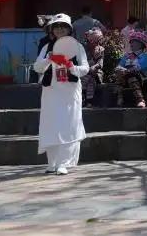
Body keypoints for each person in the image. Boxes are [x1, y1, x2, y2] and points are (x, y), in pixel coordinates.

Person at [33, 13, 89, 175]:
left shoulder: (77, 46)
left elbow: (85, 68)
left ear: (69, 29)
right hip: (51, 91)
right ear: (52, 29)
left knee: (68, 124)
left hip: (70, 91)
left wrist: (72, 67)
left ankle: (64, 163)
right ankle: (52, 163)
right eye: (56, 26)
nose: (59, 29)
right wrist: (48, 60)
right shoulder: (47, 47)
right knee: (51, 124)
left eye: (63, 26)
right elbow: (37, 67)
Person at [114, 30, 147, 107]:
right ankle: (119, 97)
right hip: (126, 76)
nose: (131, 44)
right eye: (131, 42)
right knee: (118, 75)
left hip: (142, 78)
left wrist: (128, 70)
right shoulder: (127, 56)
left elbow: (145, 66)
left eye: (134, 42)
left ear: (141, 44)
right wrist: (119, 69)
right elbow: (120, 65)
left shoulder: (145, 55)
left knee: (132, 77)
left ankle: (140, 99)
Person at [81, 27, 105, 108]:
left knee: (91, 79)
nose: (95, 43)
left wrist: (95, 66)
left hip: (95, 73)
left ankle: (87, 100)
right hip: (84, 71)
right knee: (86, 79)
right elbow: (80, 61)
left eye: (97, 41)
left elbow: (100, 63)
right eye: (93, 41)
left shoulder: (101, 49)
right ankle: (85, 99)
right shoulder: (83, 48)